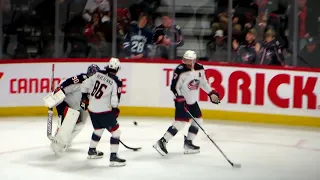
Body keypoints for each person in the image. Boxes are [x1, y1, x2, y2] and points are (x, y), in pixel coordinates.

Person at [153, 50, 220, 156]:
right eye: (186, 60)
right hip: (182, 101)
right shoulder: (180, 70)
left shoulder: (200, 68)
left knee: (198, 120)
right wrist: (179, 98)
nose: (187, 62)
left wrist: (210, 93)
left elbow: (203, 83)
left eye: (189, 60)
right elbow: (174, 87)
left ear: (194, 60)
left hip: (192, 101)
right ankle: (162, 142)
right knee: (180, 123)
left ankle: (188, 143)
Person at [44, 64, 101, 155]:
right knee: (66, 124)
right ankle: (58, 144)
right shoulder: (80, 81)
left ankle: (67, 141)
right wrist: (54, 97)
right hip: (65, 104)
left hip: (78, 106)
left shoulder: (97, 85)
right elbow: (64, 86)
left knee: (82, 122)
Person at [80, 57, 125, 167]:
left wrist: (84, 96)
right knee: (116, 133)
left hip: (91, 108)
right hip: (103, 111)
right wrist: (115, 110)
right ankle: (113, 158)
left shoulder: (98, 74)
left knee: (98, 129)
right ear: (117, 69)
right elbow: (115, 99)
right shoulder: (116, 82)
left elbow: (84, 85)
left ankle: (92, 151)